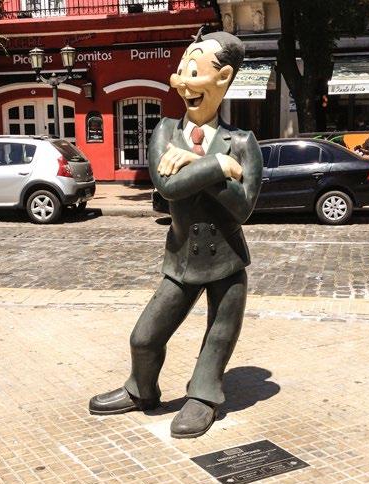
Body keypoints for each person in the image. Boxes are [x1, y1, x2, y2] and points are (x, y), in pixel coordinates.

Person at [88, 29, 263, 439]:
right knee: (144, 338)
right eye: (182, 70)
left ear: (223, 78)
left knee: (218, 336)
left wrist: (196, 162)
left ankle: (203, 396)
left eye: (194, 71)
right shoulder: (165, 131)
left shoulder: (243, 142)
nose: (183, 81)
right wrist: (216, 166)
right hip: (181, 260)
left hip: (227, 262)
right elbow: (167, 188)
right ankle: (141, 389)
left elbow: (243, 208)